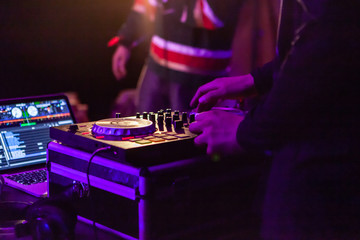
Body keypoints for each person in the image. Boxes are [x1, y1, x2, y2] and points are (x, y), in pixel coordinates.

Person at [189, 0, 360, 239]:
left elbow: (322, 50)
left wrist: (246, 131)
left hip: (320, 169)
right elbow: (328, 42)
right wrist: (255, 80)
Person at [109, 0, 245, 113]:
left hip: (198, 77)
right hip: (155, 67)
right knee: (145, 136)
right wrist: (126, 40)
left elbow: (212, 16)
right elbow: (146, 4)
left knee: (184, 140)